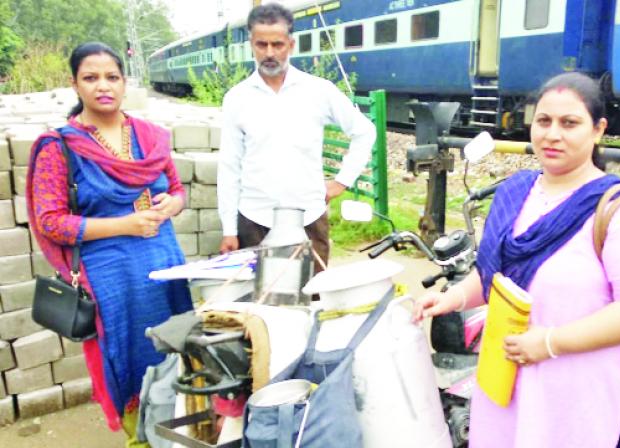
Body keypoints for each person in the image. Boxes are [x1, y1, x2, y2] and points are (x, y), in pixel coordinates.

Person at [414, 72, 620, 447]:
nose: (552, 135)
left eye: (569, 123)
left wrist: (551, 342)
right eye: (544, 121)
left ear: (598, 130)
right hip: (506, 379)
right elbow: (496, 275)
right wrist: (452, 299)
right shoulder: (516, 192)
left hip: (578, 392)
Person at [26, 42, 194, 442]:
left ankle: (182, 427)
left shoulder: (150, 137)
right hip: (111, 280)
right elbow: (51, 222)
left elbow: (176, 189)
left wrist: (173, 204)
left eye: (112, 77)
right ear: (74, 84)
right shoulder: (59, 147)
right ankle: (142, 437)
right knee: (128, 360)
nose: (103, 86)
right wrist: (125, 225)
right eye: (91, 77)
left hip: (164, 266)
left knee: (179, 351)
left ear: (124, 81)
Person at [217, 2, 376, 269]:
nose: (269, 53)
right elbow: (229, 166)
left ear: (290, 45)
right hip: (254, 221)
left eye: (277, 44)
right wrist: (229, 230)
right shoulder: (237, 98)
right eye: (261, 45)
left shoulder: (319, 91)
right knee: (257, 296)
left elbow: (364, 131)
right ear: (251, 45)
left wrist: (342, 181)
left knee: (312, 291)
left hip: (308, 220)